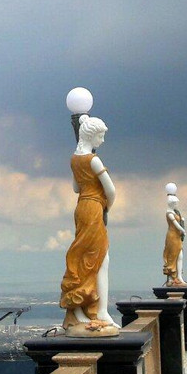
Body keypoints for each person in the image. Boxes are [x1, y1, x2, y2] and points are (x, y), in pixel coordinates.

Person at [60, 115, 119, 337]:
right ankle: (99, 310)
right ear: (92, 134)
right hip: (94, 209)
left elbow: (76, 188)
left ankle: (89, 308)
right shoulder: (93, 160)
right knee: (97, 259)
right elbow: (111, 190)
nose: (102, 140)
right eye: (101, 136)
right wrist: (106, 207)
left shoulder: (75, 159)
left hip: (81, 207)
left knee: (87, 257)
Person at [162, 191, 186, 286]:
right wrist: (183, 230)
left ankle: (179, 276)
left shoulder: (176, 212)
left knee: (180, 256)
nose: (176, 205)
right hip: (172, 236)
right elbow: (176, 225)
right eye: (175, 203)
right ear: (172, 203)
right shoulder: (169, 213)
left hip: (177, 236)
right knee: (172, 257)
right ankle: (172, 277)